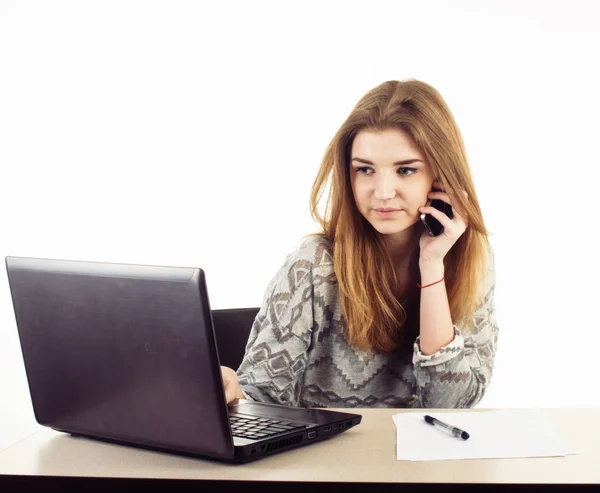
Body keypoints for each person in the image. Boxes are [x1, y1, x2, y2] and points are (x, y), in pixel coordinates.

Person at [221, 79, 498, 409]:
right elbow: (261, 397)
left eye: (406, 170)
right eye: (365, 169)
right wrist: (232, 388)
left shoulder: (470, 259)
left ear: (441, 175)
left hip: (419, 460)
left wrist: (432, 267)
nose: (382, 192)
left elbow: (451, 406)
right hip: (324, 458)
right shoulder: (313, 264)